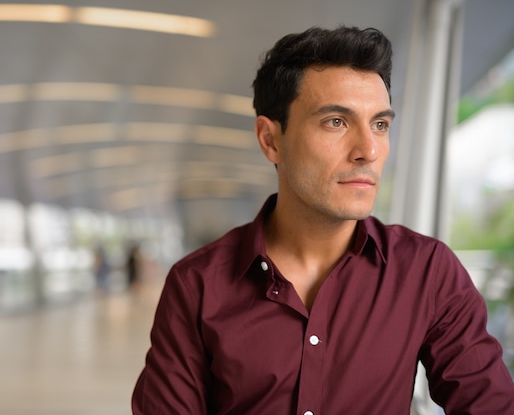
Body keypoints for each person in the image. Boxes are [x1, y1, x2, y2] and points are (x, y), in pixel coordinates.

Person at [131, 26, 514, 414]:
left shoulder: (427, 272)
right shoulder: (197, 286)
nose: (368, 150)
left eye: (380, 124)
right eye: (336, 121)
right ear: (270, 140)